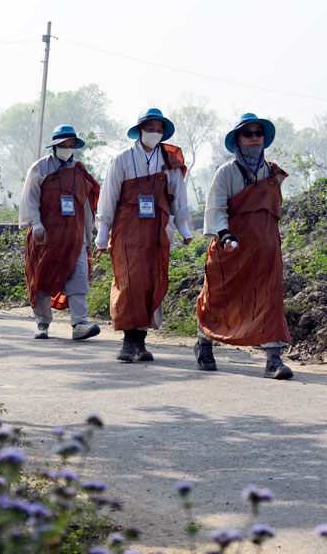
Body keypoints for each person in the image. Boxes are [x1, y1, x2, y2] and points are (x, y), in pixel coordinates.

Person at [195, 114, 293, 379]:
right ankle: (204, 344)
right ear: (237, 139)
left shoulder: (273, 173)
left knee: (269, 298)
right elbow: (215, 207)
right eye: (247, 134)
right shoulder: (226, 172)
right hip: (231, 248)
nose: (253, 139)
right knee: (218, 297)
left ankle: (273, 358)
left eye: (257, 133)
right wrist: (225, 234)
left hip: (266, 251)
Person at [95, 108, 193, 362]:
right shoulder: (122, 159)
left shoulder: (169, 162)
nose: (154, 133)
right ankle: (129, 340)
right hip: (127, 228)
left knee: (152, 280)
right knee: (128, 281)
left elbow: (179, 197)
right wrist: (102, 235)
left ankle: (141, 340)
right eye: (150, 128)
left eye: (159, 129)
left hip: (157, 230)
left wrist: (184, 229)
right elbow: (108, 198)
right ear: (140, 130)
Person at [20, 125, 101, 339]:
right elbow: (30, 199)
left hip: (74, 237)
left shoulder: (80, 171)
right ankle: (42, 323)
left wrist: (88, 236)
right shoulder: (40, 168)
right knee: (42, 280)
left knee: (79, 279)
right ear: (54, 146)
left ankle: (80, 323)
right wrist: (35, 224)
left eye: (71, 144)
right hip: (45, 236)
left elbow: (86, 206)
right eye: (63, 144)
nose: (67, 148)